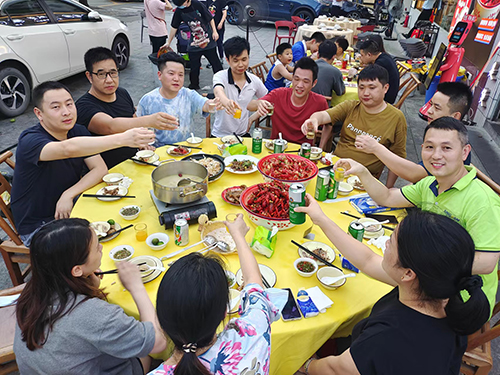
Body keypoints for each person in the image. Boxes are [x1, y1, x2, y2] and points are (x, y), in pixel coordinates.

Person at [293, 205, 489, 375]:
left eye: (392, 241)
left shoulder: (389, 337)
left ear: (408, 273)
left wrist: (308, 364)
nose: (385, 242)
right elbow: (368, 260)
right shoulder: (438, 291)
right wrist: (320, 219)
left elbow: (337, 369)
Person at [333, 117, 500, 314]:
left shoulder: (482, 201)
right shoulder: (431, 183)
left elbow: (487, 263)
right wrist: (361, 171)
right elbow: (387, 197)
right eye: (429, 147)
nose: (436, 155)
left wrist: (421, 260)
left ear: (465, 152)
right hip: (424, 277)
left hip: (461, 300)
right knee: (363, 270)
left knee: (371, 281)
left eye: (446, 148)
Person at [14, 219, 167, 374]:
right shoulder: (92, 314)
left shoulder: (33, 290)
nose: (101, 247)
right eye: (96, 247)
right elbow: (158, 342)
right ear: (77, 270)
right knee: (164, 341)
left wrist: (88, 286)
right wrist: (136, 287)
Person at [10, 81, 154, 246]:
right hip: (39, 225)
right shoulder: (30, 141)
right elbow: (67, 149)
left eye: (69, 104)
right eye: (56, 107)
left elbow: (100, 168)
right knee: (98, 246)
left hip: (72, 206)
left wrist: (68, 194)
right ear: (39, 113)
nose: (66, 112)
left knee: (129, 215)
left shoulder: (77, 131)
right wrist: (122, 139)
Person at [148, 214, 279, 374]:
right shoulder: (253, 333)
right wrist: (238, 235)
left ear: (160, 319)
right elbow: (253, 281)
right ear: (224, 311)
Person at [302, 64, 407, 187]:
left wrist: (388, 189)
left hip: (363, 179)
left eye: (372, 88)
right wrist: (314, 119)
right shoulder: (351, 106)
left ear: (385, 88)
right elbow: (324, 115)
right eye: (361, 87)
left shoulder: (396, 118)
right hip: (336, 168)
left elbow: (397, 159)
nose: (365, 93)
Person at [76, 47, 177, 169]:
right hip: (108, 173)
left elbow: (134, 121)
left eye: (113, 73)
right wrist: (150, 120)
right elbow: (110, 126)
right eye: (102, 74)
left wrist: (143, 144)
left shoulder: (122, 93)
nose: (109, 80)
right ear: (89, 76)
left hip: (135, 163)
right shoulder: (83, 106)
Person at [354, 81, 473, 183]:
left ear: (455, 116)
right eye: (430, 105)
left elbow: (416, 174)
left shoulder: (454, 143)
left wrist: (375, 148)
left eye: (436, 108)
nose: (429, 111)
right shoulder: (442, 133)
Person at [137, 52, 215, 146]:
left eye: (181, 75)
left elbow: (205, 104)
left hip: (186, 150)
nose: (176, 79)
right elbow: (138, 129)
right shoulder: (148, 100)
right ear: (159, 75)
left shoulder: (188, 95)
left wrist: (213, 104)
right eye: (171, 74)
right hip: (158, 153)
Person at [247, 57, 328, 145]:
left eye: (306, 81)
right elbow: (250, 105)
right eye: (296, 79)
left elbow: (328, 125)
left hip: (302, 151)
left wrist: (321, 147)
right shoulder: (278, 94)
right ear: (292, 78)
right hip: (276, 147)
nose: (300, 85)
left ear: (314, 83)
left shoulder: (319, 102)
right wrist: (258, 104)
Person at [212, 36, 268, 137]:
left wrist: (252, 118)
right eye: (236, 60)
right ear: (228, 60)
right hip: (220, 135)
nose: (241, 65)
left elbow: (268, 101)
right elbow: (218, 91)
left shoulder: (254, 80)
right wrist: (226, 102)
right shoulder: (220, 76)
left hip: (242, 134)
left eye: (244, 59)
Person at [166, 0, 223, 90]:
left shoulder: (197, 4)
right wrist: (168, 42)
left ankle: (222, 82)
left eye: (182, 3)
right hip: (194, 43)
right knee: (194, 67)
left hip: (207, 40)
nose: (181, 6)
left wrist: (215, 32)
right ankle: (194, 85)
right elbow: (174, 27)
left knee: (216, 64)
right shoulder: (179, 11)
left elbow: (210, 18)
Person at [358, 38, 399, 104]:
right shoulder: (384, 56)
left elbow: (368, 78)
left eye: (362, 55)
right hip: (390, 92)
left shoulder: (380, 63)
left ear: (369, 54)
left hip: (386, 98)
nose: (361, 58)